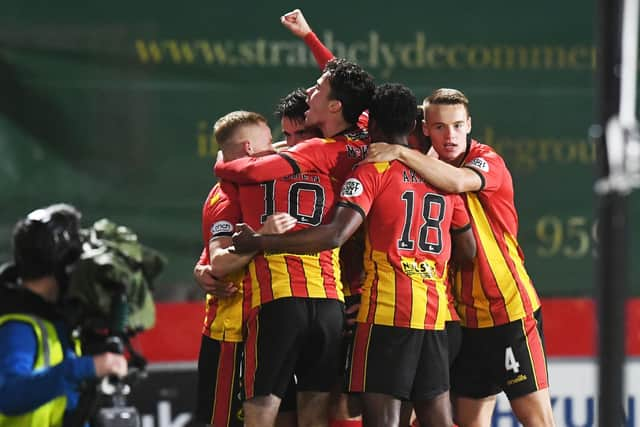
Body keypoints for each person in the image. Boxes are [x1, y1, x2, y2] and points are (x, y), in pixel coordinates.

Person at [231, 83, 476, 427]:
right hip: (436, 315)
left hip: (388, 312)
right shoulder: (443, 180)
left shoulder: (372, 170)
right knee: (437, 417)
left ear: (372, 123)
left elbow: (335, 234)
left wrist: (261, 242)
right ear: (414, 126)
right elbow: (468, 250)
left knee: (381, 420)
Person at [364, 88, 554, 427]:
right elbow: (366, 105)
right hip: (462, 318)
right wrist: (309, 36)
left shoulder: (485, 161)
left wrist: (399, 152)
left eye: (457, 125)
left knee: (538, 421)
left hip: (507, 310)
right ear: (424, 129)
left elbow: (457, 182)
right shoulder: (424, 163)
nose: (449, 135)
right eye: (439, 127)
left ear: (469, 125)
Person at [214, 58, 374, 427]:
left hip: (277, 301)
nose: (288, 145)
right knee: (320, 414)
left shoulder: (252, 177)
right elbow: (355, 90)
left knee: (260, 413)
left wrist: (222, 164)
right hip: (332, 302)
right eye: (280, 137)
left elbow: (219, 257)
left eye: (292, 135)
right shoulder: (353, 157)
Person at [192, 111, 298, 427]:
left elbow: (291, 150)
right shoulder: (227, 194)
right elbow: (220, 261)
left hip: (266, 329)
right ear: (250, 150)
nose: (279, 149)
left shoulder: (254, 183)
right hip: (232, 334)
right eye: (270, 142)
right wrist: (263, 237)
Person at [0, 204, 128, 427]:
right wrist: (87, 367)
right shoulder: (18, 327)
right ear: (62, 266)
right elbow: (7, 395)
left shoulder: (57, 320)